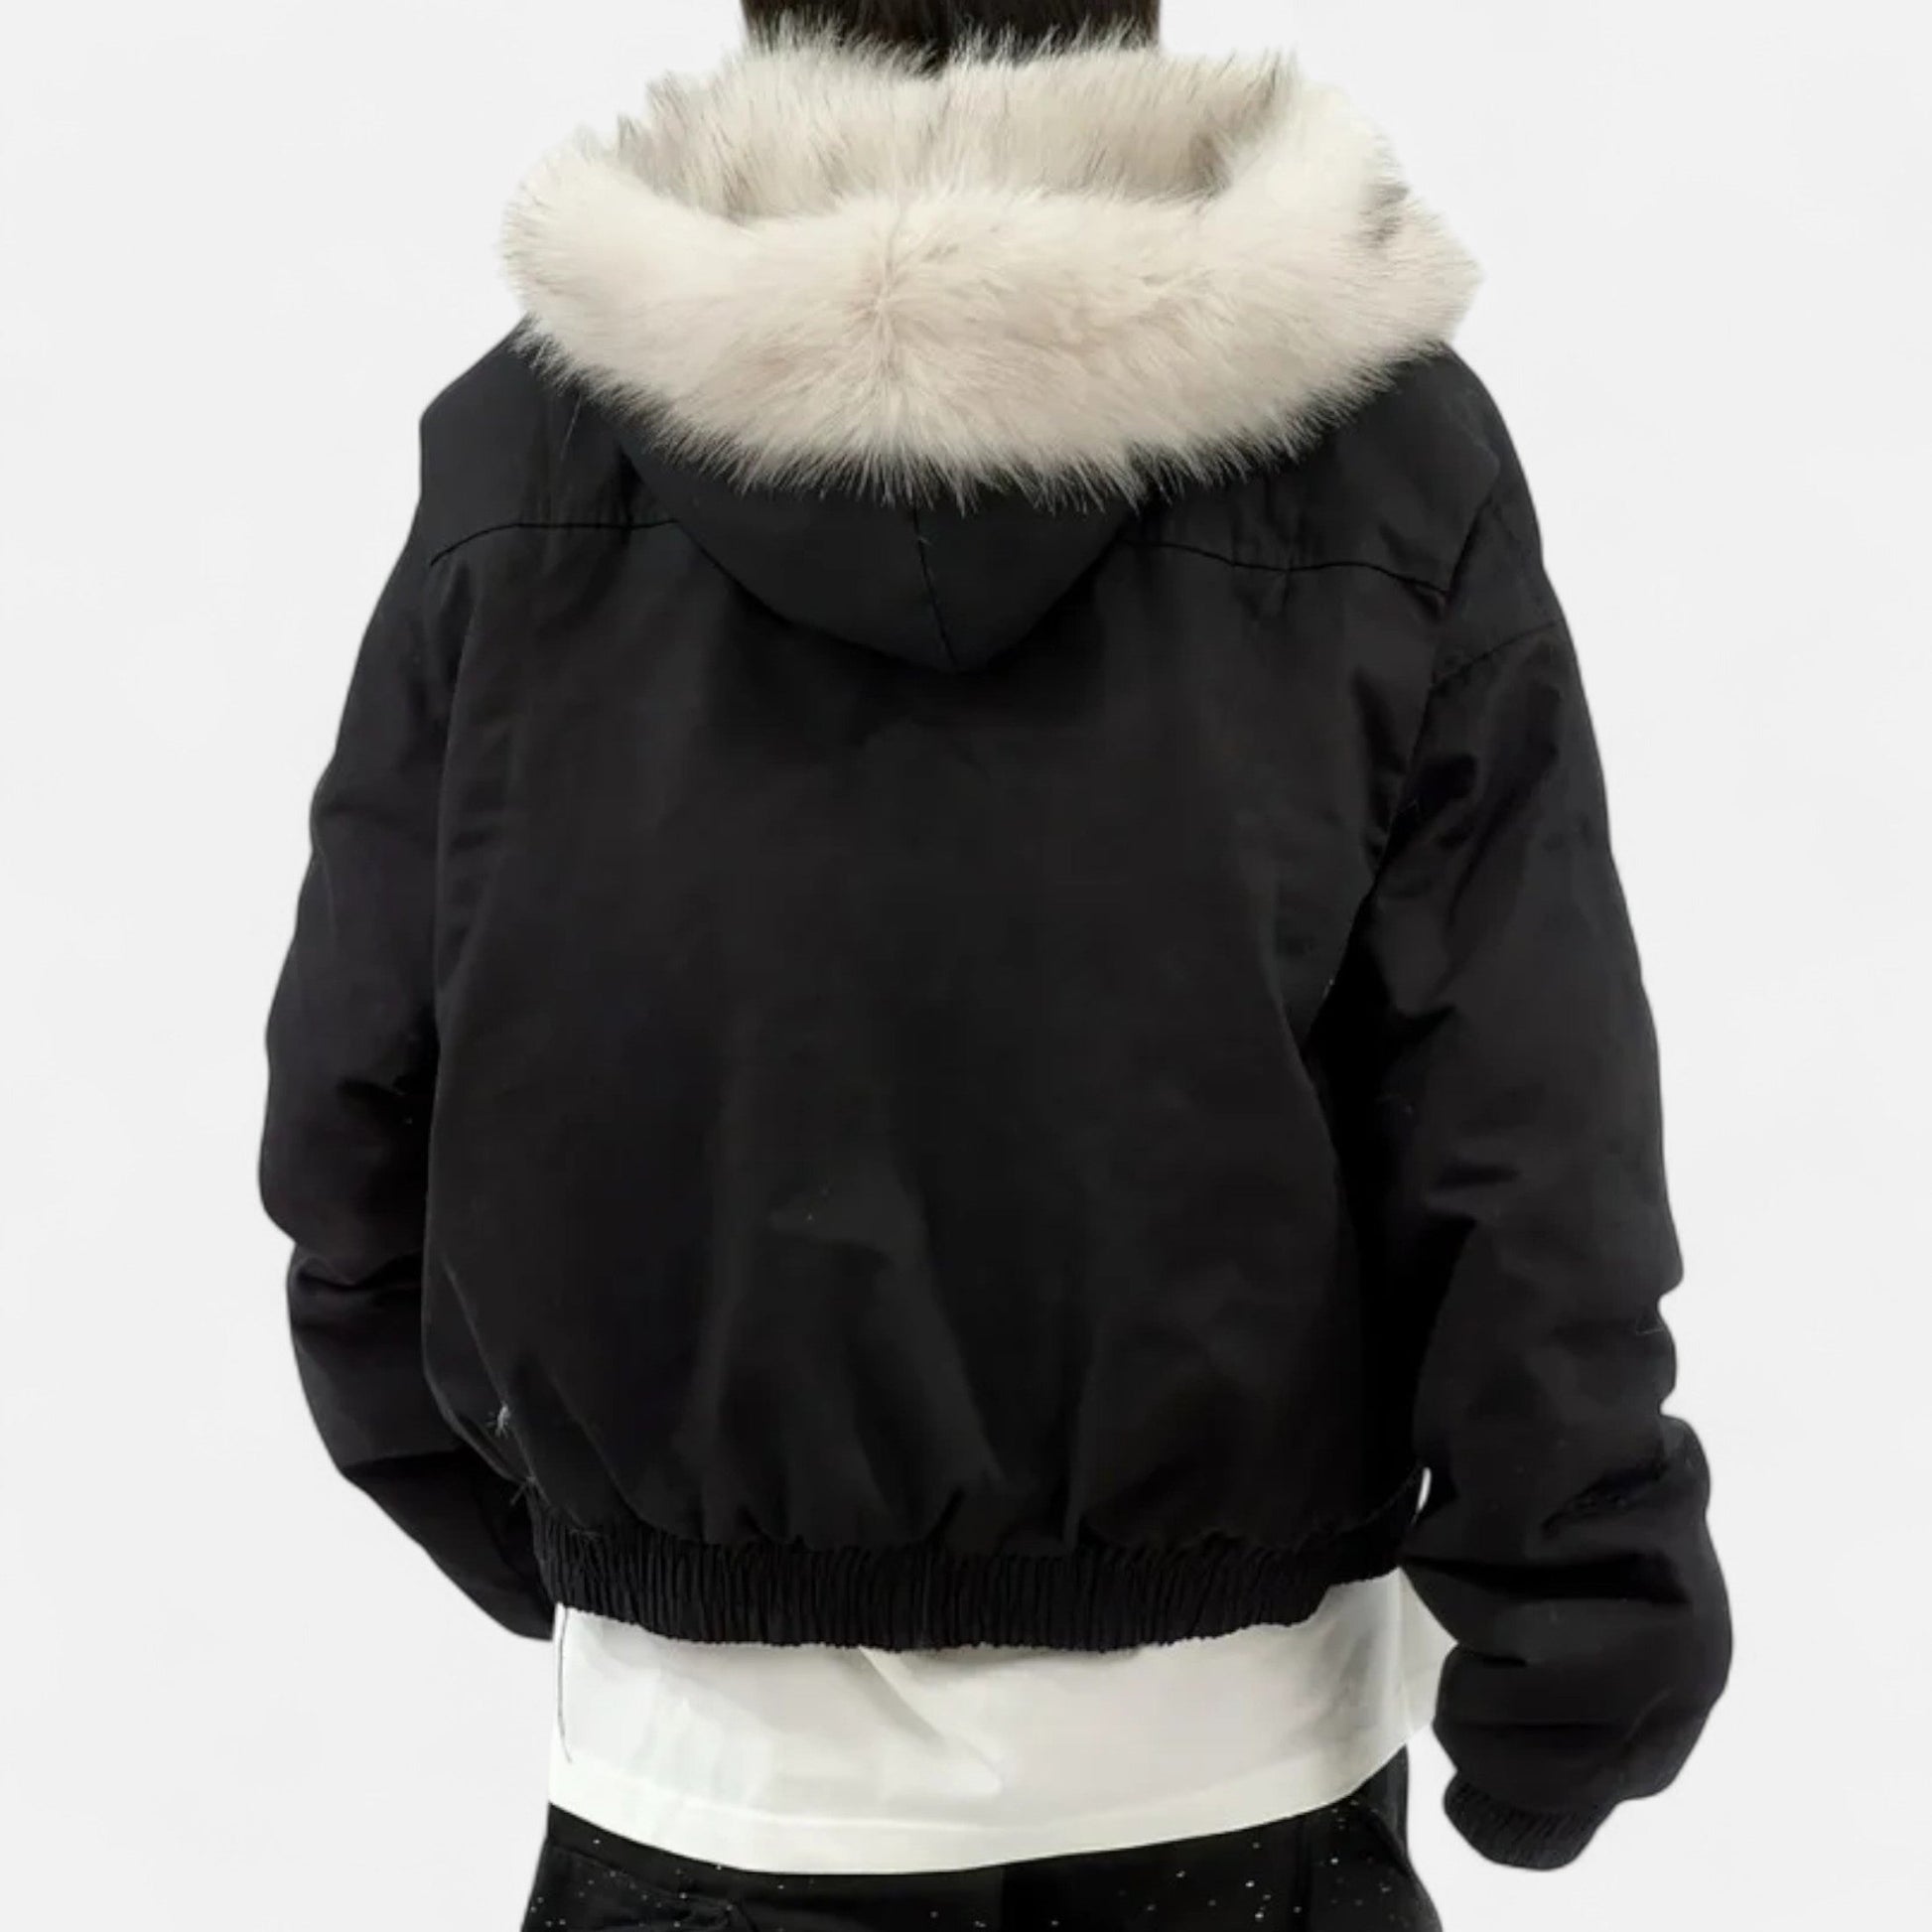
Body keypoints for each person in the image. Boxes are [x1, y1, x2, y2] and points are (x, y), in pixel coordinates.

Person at [259, 1, 1732, 1924]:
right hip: (1237, 1802)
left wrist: (592, 1543)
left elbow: (356, 1114)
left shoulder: (525, 460)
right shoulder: (1379, 463)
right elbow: (1520, 1122)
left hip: (693, 1799)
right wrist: (1583, 1599)